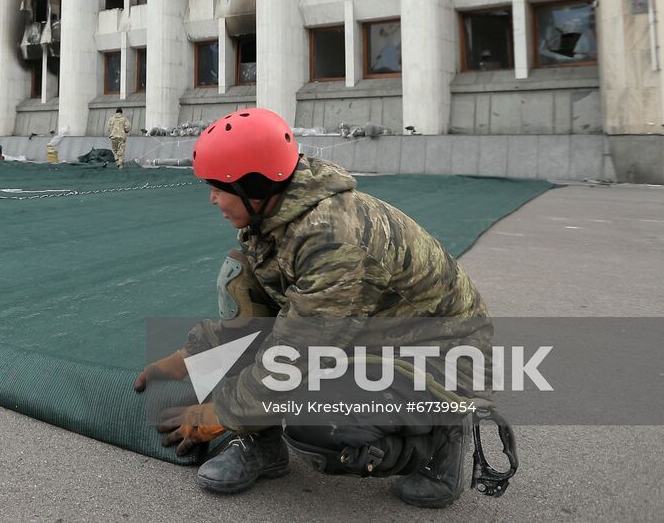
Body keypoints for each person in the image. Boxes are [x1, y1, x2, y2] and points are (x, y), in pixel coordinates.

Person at [135, 108, 504, 508]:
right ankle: (262, 446)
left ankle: (439, 437)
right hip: (370, 332)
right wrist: (189, 357)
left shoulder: (335, 241)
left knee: (315, 419)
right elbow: (263, 317)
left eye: (218, 188)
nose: (212, 199)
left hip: (437, 357)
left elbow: (295, 355)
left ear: (254, 187)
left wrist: (219, 413)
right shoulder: (276, 215)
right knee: (240, 278)